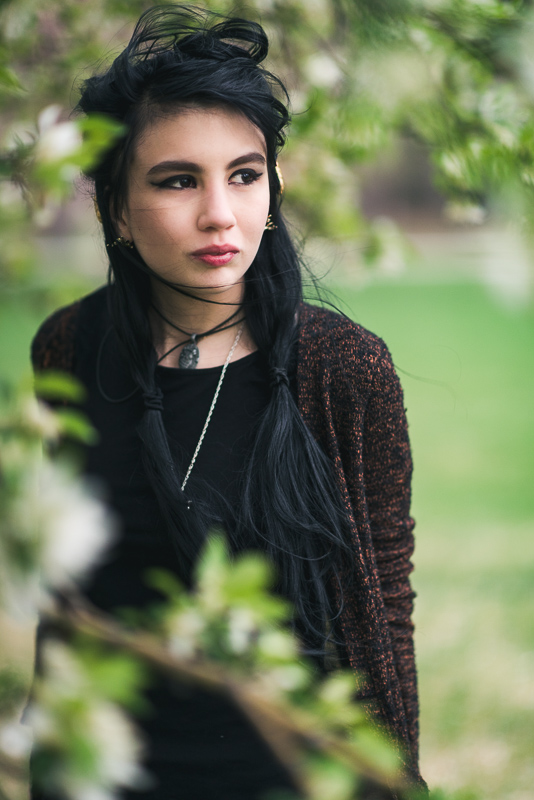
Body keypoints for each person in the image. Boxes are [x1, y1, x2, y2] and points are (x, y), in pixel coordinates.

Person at [31, 5, 423, 799]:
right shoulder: (68, 348)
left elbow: (384, 607)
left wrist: (394, 775)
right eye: (178, 180)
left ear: (273, 186)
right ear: (114, 207)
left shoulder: (344, 369)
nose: (220, 214)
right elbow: (67, 593)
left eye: (244, 175)